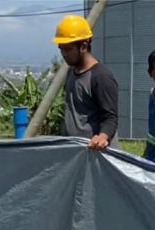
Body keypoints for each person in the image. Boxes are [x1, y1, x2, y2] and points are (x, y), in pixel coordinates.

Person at [53, 15, 118, 149]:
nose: (64, 54)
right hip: (75, 152)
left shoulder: (101, 77)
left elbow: (110, 117)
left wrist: (103, 136)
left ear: (83, 46)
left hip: (94, 153)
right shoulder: (71, 72)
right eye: (61, 49)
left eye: (68, 49)